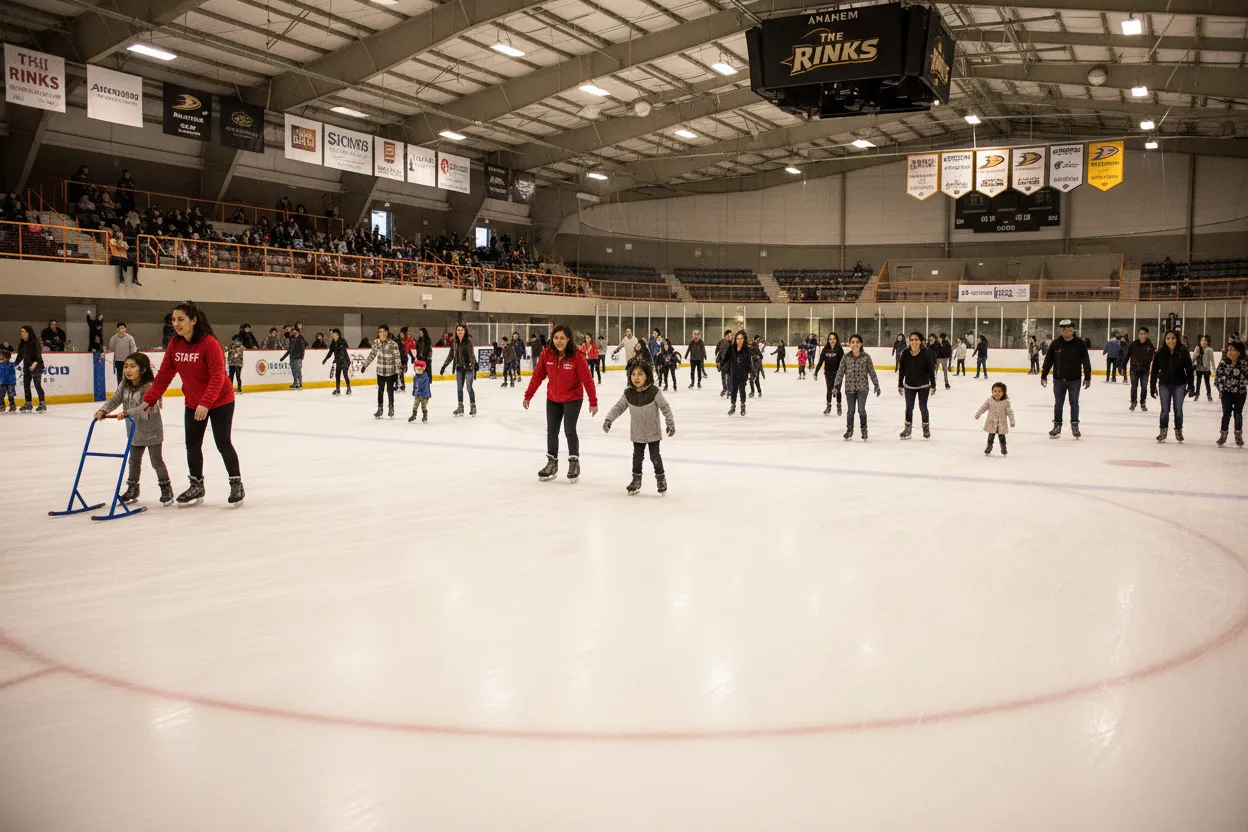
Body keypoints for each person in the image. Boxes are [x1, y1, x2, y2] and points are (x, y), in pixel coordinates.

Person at [142, 301, 244, 506]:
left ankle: (236, 484)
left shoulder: (209, 343)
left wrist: (206, 403)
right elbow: (164, 375)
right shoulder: (175, 344)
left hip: (220, 400)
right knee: (192, 444)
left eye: (181, 319)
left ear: (194, 320)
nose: (176, 324)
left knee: (222, 442)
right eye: (173, 320)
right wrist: (149, 399)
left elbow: (218, 376)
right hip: (193, 401)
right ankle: (197, 485)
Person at [96, 353, 173, 506]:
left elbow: (143, 407)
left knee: (156, 461)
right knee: (134, 461)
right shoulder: (125, 384)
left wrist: (126, 413)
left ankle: (166, 489)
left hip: (151, 430)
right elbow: (115, 399)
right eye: (125, 367)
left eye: (132, 366)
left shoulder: (150, 386)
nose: (128, 370)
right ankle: (133, 488)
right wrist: (103, 410)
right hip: (134, 430)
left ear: (143, 369)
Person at [524, 324, 598, 483]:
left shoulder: (577, 356)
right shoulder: (547, 354)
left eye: (562, 338)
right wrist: (528, 395)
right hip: (553, 398)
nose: (559, 341)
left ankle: (574, 463)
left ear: (568, 339)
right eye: (556, 338)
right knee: (552, 430)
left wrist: (593, 401)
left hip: (573, 397)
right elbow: (538, 375)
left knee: (569, 429)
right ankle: (552, 463)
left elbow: (587, 380)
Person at [603, 362, 674, 495]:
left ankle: (661, 479)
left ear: (647, 376)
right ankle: (636, 479)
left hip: (653, 432)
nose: (636, 377)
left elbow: (665, 407)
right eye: (633, 374)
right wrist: (609, 419)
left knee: (655, 457)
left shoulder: (654, 392)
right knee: (637, 457)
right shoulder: (628, 393)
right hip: (637, 433)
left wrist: (670, 422)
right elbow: (618, 407)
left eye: (640, 374)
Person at [1040, 319, 1092, 439]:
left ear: (1073, 330)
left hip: (1075, 379)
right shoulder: (1055, 343)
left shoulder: (1080, 343)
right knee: (1058, 403)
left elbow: (1086, 361)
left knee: (1074, 403)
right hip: (1059, 379)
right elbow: (1048, 361)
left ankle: (1075, 425)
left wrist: (1088, 377)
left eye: (1068, 329)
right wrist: (1044, 375)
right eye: (1063, 330)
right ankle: (1057, 426)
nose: (1066, 332)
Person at [833, 334, 880, 441]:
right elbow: (840, 373)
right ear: (850, 344)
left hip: (863, 389)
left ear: (861, 344)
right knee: (850, 411)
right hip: (849, 388)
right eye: (853, 342)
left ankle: (864, 430)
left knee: (861, 410)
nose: (855, 344)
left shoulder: (866, 357)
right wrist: (836, 386)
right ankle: (849, 431)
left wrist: (876, 385)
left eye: (857, 342)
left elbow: (872, 372)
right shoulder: (845, 357)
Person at [1150, 329, 1194, 443]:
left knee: (1178, 409)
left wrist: (1191, 385)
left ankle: (1178, 430)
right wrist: (1152, 386)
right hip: (1164, 384)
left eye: (1173, 338)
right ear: (1165, 340)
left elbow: (1189, 369)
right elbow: (1154, 370)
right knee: (1165, 410)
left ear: (1177, 339)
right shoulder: (1160, 352)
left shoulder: (1182, 351)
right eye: (1168, 338)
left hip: (1179, 384)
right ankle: (1163, 431)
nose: (1171, 341)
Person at [897, 331, 936, 439]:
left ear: (921, 341)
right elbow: (902, 370)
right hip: (909, 385)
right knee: (909, 407)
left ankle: (926, 426)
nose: (913, 342)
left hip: (923, 385)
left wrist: (933, 385)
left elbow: (931, 370)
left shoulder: (926, 353)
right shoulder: (905, 353)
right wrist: (900, 384)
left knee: (923, 407)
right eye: (911, 340)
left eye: (916, 340)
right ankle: (908, 429)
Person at [360, 324, 402, 418]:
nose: (382, 334)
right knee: (380, 390)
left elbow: (397, 359)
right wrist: (365, 365)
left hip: (390, 372)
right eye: (380, 332)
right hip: (380, 372)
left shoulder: (393, 344)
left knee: (390, 390)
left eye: (383, 331)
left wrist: (398, 373)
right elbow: (372, 354)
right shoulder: (376, 343)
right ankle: (380, 409)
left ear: (387, 332)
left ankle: (391, 408)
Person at [439, 323, 478, 416]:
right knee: (459, 388)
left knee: (469, 387)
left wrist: (471, 366)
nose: (460, 332)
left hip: (468, 368)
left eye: (462, 330)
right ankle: (460, 407)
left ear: (465, 331)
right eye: (458, 330)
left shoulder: (468, 342)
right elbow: (450, 356)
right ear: (456, 332)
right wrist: (444, 366)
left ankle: (473, 406)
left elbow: (472, 356)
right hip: (459, 369)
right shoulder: (454, 343)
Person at [1214, 340, 1246, 447]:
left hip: (1240, 393)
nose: (1230, 352)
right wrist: (1221, 389)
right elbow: (1217, 379)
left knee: (1238, 414)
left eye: (1233, 350)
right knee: (1226, 414)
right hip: (1226, 393)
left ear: (1239, 352)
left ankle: (1238, 435)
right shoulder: (1223, 363)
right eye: (1229, 350)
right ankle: (1223, 435)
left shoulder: (1244, 363)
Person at [975, 382, 1016, 456]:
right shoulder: (990, 401)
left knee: (1002, 438)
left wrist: (1012, 421)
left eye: (999, 391)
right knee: (990, 437)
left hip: (1001, 424)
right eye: (995, 391)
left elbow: (1010, 413)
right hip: (992, 423)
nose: (997, 393)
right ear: (992, 391)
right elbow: (983, 407)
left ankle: (1004, 449)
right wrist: (978, 414)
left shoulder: (1005, 403)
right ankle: (988, 448)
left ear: (1003, 392)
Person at [1124, 327, 1157, 412]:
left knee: (1144, 387)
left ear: (1147, 335)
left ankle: (1143, 402)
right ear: (1138, 335)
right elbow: (1127, 356)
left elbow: (1154, 358)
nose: (1142, 336)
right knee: (1134, 387)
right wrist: (1122, 366)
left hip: (1144, 370)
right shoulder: (1133, 344)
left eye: (1144, 334)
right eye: (1140, 334)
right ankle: (1133, 402)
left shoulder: (1150, 345)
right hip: (1134, 369)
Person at [15, 326, 46, 412]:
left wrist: (34, 364)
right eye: (21, 332)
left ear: (29, 332)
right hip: (27, 367)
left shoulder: (35, 342)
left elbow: (38, 356)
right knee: (26, 385)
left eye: (24, 332)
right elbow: (20, 356)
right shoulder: (22, 343)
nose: (22, 334)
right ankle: (28, 403)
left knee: (37, 385)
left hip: (37, 367)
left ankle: (42, 403)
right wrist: (13, 365)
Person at [814, 333, 844, 416]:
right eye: (830, 339)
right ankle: (828, 406)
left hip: (837, 374)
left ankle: (839, 406)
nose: (832, 341)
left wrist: (843, 373)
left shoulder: (839, 350)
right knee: (829, 390)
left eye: (834, 339)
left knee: (837, 390)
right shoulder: (825, 349)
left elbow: (843, 363)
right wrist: (816, 372)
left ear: (836, 339)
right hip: (828, 374)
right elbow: (820, 362)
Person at [723, 330, 751, 417]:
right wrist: (721, 365)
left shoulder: (746, 349)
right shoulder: (732, 348)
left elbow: (749, 362)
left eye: (741, 338)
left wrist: (750, 372)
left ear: (744, 339)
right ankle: (733, 406)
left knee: (742, 391)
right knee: (734, 390)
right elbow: (726, 358)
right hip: (734, 373)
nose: (739, 340)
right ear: (735, 339)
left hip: (743, 374)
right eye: (738, 338)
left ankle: (743, 405)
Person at [323, 328, 352, 395]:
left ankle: (349, 388)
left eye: (335, 334)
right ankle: (338, 390)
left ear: (338, 335)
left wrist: (336, 359)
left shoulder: (342, 341)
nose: (334, 336)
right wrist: (325, 359)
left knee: (345, 373)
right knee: (337, 375)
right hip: (338, 361)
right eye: (333, 335)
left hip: (345, 360)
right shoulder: (333, 342)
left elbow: (342, 351)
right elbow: (330, 352)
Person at [279, 325, 307, 390]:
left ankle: (299, 383)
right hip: (292, 357)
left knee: (298, 370)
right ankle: (295, 382)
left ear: (297, 331)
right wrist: (284, 357)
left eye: (294, 330)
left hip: (298, 357)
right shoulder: (292, 338)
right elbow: (290, 349)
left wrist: (302, 355)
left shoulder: (301, 338)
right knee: (294, 370)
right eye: (293, 331)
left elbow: (303, 347)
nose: (293, 331)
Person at [1192, 334, 1214, 401]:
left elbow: (1212, 360)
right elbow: (1193, 359)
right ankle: (1197, 395)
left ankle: (1209, 395)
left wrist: (1214, 369)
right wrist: (1196, 355)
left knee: (1207, 383)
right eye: (1202, 340)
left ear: (1208, 341)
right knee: (1198, 382)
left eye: (1205, 340)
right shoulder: (1197, 348)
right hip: (1199, 368)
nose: (1203, 342)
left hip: (1206, 369)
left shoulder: (1209, 349)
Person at [715, 329, 733, 397]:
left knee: (730, 376)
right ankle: (725, 388)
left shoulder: (732, 342)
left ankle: (730, 389)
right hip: (723, 361)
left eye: (730, 335)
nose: (729, 337)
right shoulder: (721, 342)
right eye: (728, 335)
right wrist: (717, 361)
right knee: (723, 376)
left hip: (730, 362)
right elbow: (718, 351)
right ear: (725, 336)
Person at [0, 347, 16, 412]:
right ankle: (1, 405)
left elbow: (18, 367)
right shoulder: (0, 365)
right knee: (1, 394)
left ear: (5, 357)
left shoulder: (11, 365)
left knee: (10, 395)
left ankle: (12, 405)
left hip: (10, 382)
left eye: (1, 355)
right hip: (2, 382)